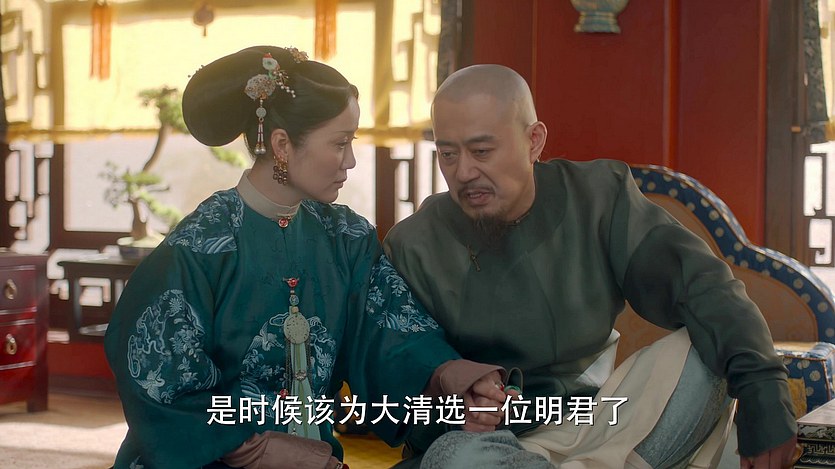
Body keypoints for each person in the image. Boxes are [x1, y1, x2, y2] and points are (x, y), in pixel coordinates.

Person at [103, 46, 509, 469]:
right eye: (340, 143)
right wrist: (252, 450)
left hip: (315, 455)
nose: (350, 161)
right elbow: (156, 370)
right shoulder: (202, 243)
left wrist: (450, 377)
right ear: (282, 144)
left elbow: (390, 333)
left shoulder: (346, 238)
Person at [383, 64, 799, 468]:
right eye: (447, 154)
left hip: (599, 419)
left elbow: (702, 285)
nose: (463, 172)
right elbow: (400, 381)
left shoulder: (599, 200)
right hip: (491, 442)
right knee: (456, 458)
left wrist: (763, 386)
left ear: (534, 141)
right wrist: (458, 410)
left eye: (481, 151)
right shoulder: (414, 245)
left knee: (708, 342)